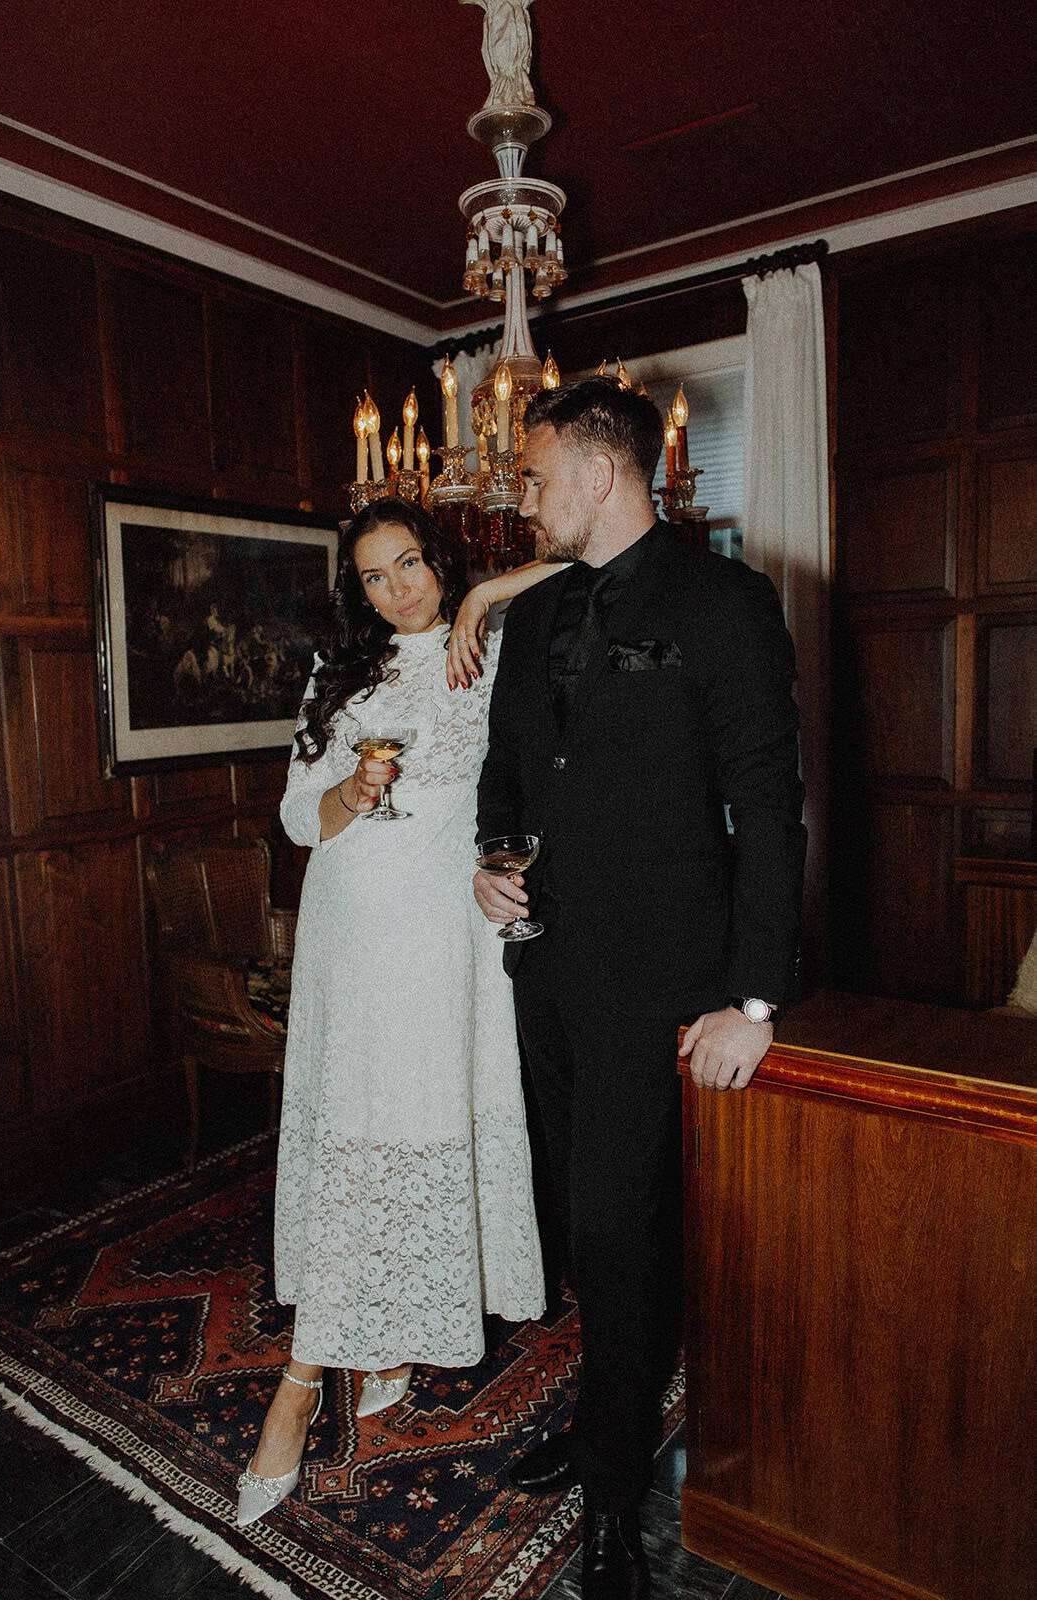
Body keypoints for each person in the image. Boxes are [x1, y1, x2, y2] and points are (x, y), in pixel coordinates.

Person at [472, 376, 807, 1600]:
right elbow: (507, 772)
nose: (522, 496)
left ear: (599, 471)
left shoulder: (723, 602)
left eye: (533, 474)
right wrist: (489, 861)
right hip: (543, 974)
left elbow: (766, 809)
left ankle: (611, 1496)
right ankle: (609, 1410)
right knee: (581, 1225)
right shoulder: (530, 616)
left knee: (617, 1229)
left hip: (659, 988)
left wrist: (752, 998)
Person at [236, 496, 550, 1527]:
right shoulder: (340, 672)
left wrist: (487, 598)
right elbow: (300, 816)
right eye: (373, 576)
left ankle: (353, 1358)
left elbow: (584, 567)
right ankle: (307, 1376)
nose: (396, 589)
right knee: (354, 1143)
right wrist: (353, 795)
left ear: (440, 560)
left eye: (409, 563)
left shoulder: (489, 652)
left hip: (437, 942)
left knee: (412, 1127)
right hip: (347, 935)